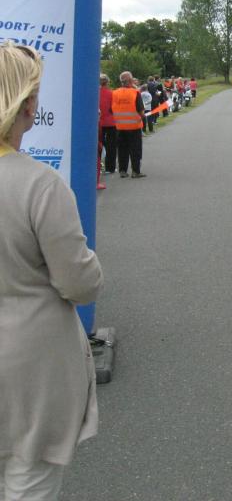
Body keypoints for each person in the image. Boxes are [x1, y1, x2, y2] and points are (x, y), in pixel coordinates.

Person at [0, 42, 104, 500]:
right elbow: (81, 284)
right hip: (30, 374)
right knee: (28, 482)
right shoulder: (40, 186)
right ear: (27, 105)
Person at [112, 71, 147, 178]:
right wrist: (143, 116)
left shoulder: (115, 93)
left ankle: (122, 171)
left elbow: (111, 109)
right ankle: (135, 171)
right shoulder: (135, 93)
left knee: (122, 149)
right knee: (135, 149)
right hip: (134, 126)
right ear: (131, 80)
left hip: (120, 127)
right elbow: (141, 111)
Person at [98, 73, 116, 174]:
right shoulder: (111, 93)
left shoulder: (95, 93)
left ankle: (98, 166)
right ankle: (110, 168)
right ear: (107, 82)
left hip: (98, 123)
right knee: (111, 146)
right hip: (110, 123)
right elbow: (113, 108)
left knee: (98, 146)